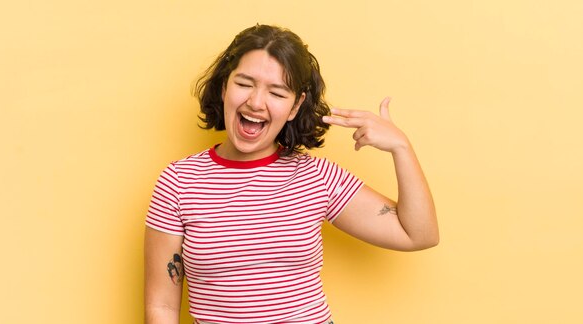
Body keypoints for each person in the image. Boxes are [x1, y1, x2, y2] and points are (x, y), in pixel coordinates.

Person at [144, 24, 439, 324]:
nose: (256, 102)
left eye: (276, 92)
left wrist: (401, 148)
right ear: (224, 88)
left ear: (296, 106)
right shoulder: (178, 182)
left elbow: (419, 234)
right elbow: (162, 307)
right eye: (244, 83)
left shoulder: (317, 178)